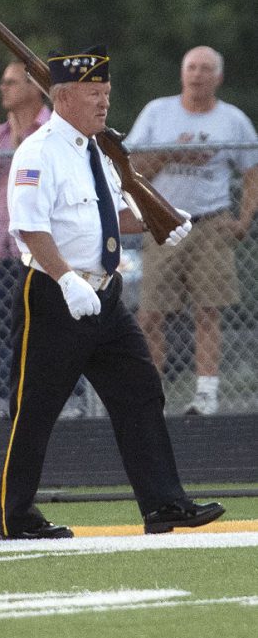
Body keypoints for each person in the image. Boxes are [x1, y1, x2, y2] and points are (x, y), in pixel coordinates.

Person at [0, 44, 225, 540]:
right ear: (61, 98)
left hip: (105, 294)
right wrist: (66, 280)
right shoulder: (38, 151)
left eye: (106, 93)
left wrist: (157, 221)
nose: (104, 103)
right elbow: (30, 228)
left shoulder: (95, 150)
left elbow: (106, 217)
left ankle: (164, 503)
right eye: (93, 94)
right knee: (35, 408)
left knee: (140, 393)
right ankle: (16, 516)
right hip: (57, 294)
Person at [126, 46, 258, 416]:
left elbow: (252, 170)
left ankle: (206, 395)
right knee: (150, 313)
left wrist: (244, 218)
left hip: (211, 221)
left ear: (218, 77)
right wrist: (170, 154)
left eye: (205, 69)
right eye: (191, 68)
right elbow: (131, 167)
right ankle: (151, 395)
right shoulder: (157, 112)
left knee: (207, 310)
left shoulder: (231, 119)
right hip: (165, 222)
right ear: (182, 73)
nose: (197, 75)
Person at [0, 61, 52, 420]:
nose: (2, 88)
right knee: (2, 327)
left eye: (11, 82)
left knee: (50, 325)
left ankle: (64, 399)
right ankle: (7, 400)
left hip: (41, 249)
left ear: (36, 87)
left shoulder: (53, 128)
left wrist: (17, 147)